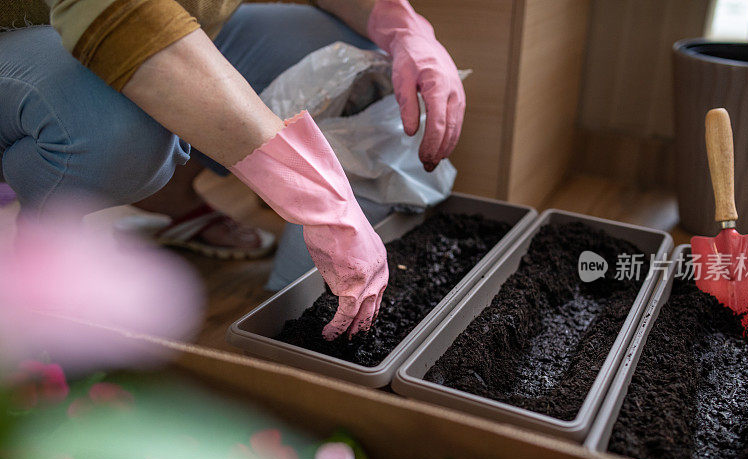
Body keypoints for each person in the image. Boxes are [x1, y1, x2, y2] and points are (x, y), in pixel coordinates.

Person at [0, 0, 466, 339]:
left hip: (180, 19)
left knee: (358, 54)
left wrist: (407, 30)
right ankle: (47, 250)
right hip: (33, 27)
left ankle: (181, 207)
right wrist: (318, 200)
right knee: (117, 134)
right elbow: (121, 18)